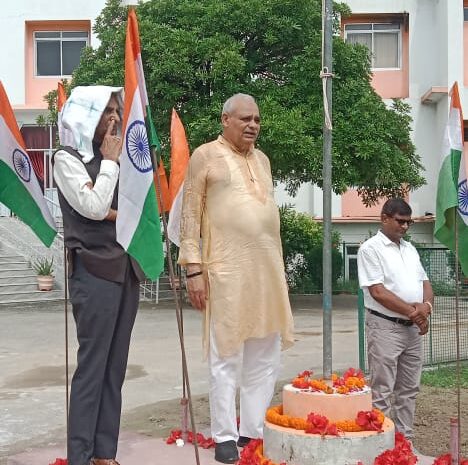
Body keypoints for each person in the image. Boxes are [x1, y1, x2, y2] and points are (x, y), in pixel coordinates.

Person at [178, 93, 294, 464]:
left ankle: (253, 431)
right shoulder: (205, 155)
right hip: (224, 270)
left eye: (257, 119)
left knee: (264, 354)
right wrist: (193, 268)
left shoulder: (263, 160)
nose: (253, 125)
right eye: (245, 119)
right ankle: (225, 435)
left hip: (267, 271)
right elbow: (189, 216)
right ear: (225, 119)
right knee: (226, 354)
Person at [53, 86, 145, 465]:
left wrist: (118, 204)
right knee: (93, 366)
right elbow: (92, 206)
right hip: (93, 271)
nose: (113, 118)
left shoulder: (124, 158)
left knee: (116, 365)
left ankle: (104, 453)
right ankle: (80, 455)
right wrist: (109, 164)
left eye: (115, 111)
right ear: (84, 116)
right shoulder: (66, 159)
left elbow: (130, 205)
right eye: (104, 111)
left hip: (126, 268)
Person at [357, 198, 433, 445]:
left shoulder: (409, 249)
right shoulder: (370, 249)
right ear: (385, 218)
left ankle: (404, 441)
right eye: (400, 221)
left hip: (412, 330)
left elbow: (425, 284)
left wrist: (426, 308)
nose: (405, 227)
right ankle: (380, 444)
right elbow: (378, 292)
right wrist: (415, 313)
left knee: (409, 389)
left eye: (408, 222)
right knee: (382, 390)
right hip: (385, 328)